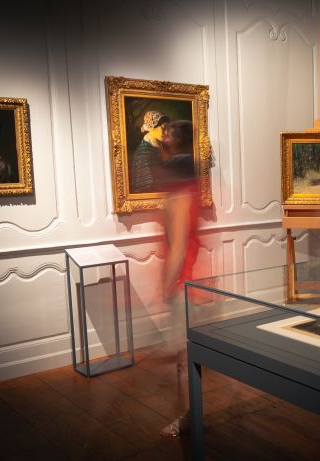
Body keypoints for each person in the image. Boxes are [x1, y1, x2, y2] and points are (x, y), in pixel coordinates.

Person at [156, 120, 201, 437]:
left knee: (184, 360)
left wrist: (167, 286)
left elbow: (179, 246)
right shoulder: (190, 194)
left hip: (183, 284)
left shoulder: (179, 198)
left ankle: (188, 419)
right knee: (184, 357)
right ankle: (188, 416)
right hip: (188, 282)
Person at [130, 110, 170, 193]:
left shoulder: (157, 146)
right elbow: (144, 187)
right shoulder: (144, 153)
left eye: (167, 128)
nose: (166, 132)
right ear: (152, 127)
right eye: (163, 128)